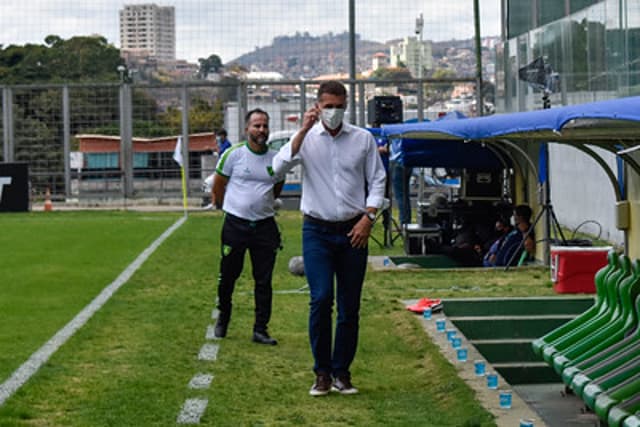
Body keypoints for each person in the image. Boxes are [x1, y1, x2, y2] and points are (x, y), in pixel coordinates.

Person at [272, 80, 386, 396]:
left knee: (350, 306)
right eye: (328, 106)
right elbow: (277, 167)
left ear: (346, 105)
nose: (334, 112)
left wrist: (369, 217)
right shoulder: (306, 139)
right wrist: (302, 131)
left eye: (339, 106)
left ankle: (342, 372)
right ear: (317, 105)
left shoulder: (361, 139)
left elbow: (377, 180)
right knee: (321, 298)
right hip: (317, 230)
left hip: (354, 230)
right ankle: (321, 372)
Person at [211, 109, 284, 345]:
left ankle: (260, 329)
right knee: (229, 275)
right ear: (247, 129)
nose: (261, 130)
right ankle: (224, 315)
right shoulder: (233, 155)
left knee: (263, 280)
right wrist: (226, 207)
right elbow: (218, 184)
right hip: (235, 225)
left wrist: (263, 205)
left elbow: (277, 185)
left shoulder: (276, 157)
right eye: (256, 126)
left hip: (264, 227)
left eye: (264, 126)